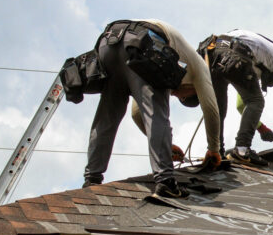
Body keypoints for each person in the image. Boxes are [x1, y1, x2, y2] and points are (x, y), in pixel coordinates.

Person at [83, 19, 221, 198]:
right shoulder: (200, 68)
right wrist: (214, 149)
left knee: (107, 116)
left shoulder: (181, 60)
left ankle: (92, 178)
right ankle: (166, 181)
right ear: (192, 90)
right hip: (146, 42)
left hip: (110, 41)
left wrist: (167, 146)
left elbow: (137, 113)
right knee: (157, 112)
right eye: (181, 96)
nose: (175, 95)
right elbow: (211, 109)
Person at [197, 29, 273, 168]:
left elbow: (241, 106)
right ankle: (242, 150)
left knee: (219, 109)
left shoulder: (258, 59)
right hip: (233, 51)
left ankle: (216, 153)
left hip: (211, 51)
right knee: (256, 100)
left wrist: (261, 128)